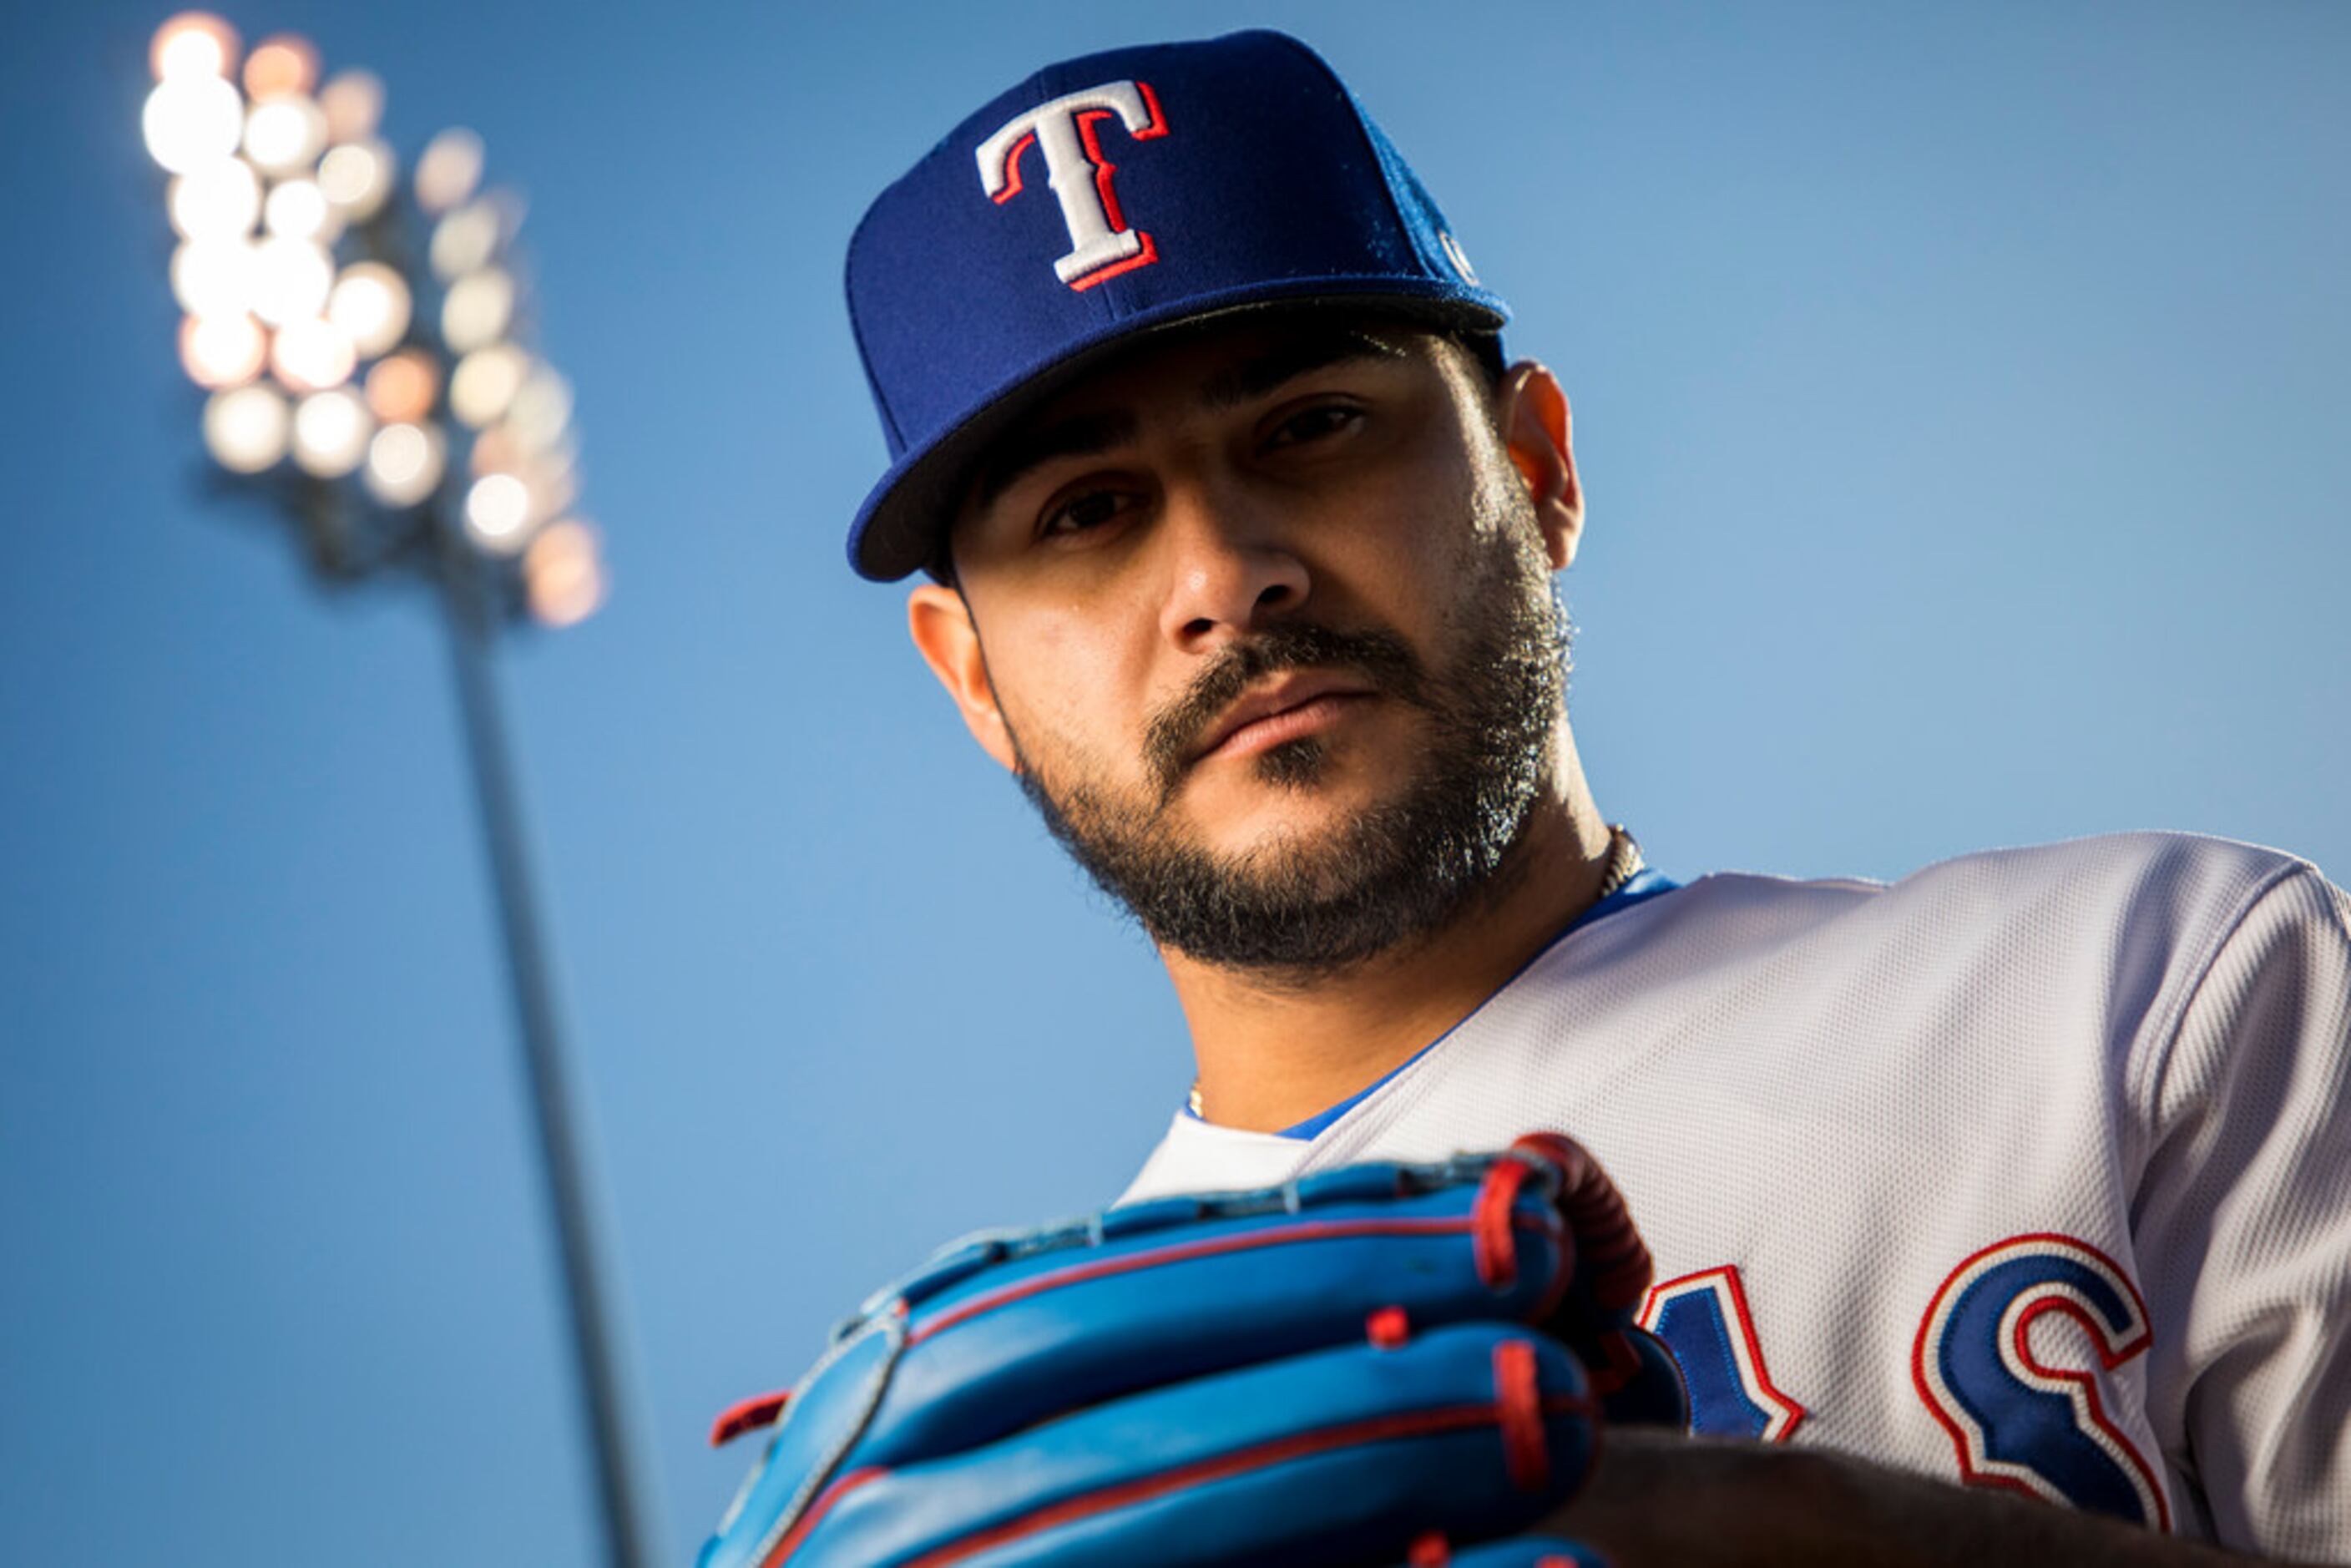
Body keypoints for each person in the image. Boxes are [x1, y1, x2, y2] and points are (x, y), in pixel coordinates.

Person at [830, 29, 2350, 1565]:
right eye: (1087, 512)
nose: (1227, 574)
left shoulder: (2152, 992)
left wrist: (1761, 1521)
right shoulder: (1056, 1458)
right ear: (972, 679)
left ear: (1537, 466)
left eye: (1308, 426)